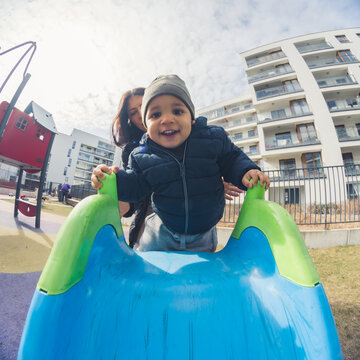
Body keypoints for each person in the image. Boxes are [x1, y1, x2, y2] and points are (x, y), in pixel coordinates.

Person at [92, 74, 270, 252]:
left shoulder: (211, 139)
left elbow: (232, 158)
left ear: (191, 118)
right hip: (163, 229)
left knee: (199, 274)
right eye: (155, 114)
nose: (167, 119)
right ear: (147, 125)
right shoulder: (141, 155)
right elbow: (136, 185)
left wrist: (247, 171)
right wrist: (113, 180)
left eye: (177, 111)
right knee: (146, 264)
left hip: (204, 230)